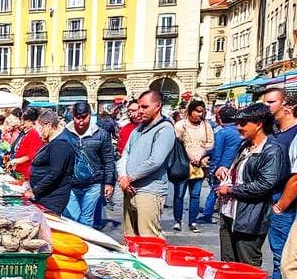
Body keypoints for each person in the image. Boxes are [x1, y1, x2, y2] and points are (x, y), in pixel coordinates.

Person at [214, 103, 286, 266]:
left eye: (243, 123)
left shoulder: (272, 150)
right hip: (229, 214)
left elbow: (264, 184)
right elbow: (241, 173)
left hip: (250, 220)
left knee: (247, 267)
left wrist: (231, 190)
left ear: (259, 124)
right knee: (228, 265)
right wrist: (225, 170)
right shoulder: (245, 145)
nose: (238, 127)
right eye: (237, 123)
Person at [118, 90, 177, 238]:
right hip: (129, 189)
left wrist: (129, 178)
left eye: (144, 107)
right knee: (130, 237)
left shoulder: (165, 129)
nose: (140, 111)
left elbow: (155, 161)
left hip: (150, 191)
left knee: (148, 237)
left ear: (157, 106)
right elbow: (125, 154)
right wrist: (123, 177)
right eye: (139, 107)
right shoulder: (137, 129)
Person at [261, 88, 297, 279]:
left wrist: (282, 204)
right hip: (271, 197)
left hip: (286, 201)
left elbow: (295, 177)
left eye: (271, 103)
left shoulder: (295, 134)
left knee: (283, 257)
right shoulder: (274, 130)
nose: (266, 107)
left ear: (287, 107)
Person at [63, 102, 116, 228]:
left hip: (93, 184)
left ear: (90, 116)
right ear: (73, 116)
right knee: (72, 218)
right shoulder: (64, 134)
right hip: (70, 184)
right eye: (78, 117)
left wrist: (109, 182)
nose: (81, 121)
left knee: (86, 220)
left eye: (84, 117)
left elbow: (108, 160)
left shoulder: (101, 134)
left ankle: (85, 246)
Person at [171, 99, 214, 233]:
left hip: (200, 165)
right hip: (183, 165)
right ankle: (178, 220)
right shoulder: (180, 125)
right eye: (197, 111)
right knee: (179, 194)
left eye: (202, 111)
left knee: (195, 195)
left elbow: (211, 143)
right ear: (190, 111)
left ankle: (192, 221)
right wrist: (188, 156)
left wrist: (201, 155)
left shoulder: (206, 125)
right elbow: (175, 145)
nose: (200, 114)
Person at [24, 110, 76, 215]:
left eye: (39, 129)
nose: (39, 133)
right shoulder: (54, 140)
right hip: (45, 194)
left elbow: (55, 173)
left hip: (52, 197)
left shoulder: (61, 143)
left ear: (48, 126)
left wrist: (35, 190)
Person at [199, 105, 243, 224]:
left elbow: (217, 152)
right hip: (236, 165)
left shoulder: (221, 132)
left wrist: (212, 169)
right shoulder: (240, 131)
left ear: (220, 117)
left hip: (222, 166)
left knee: (215, 189)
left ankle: (208, 213)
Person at [8, 108, 42, 183]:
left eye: (25, 121)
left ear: (31, 122)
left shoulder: (34, 134)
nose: (23, 123)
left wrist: (16, 161)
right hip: (20, 168)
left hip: (25, 171)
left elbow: (31, 154)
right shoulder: (27, 132)